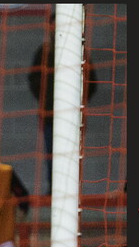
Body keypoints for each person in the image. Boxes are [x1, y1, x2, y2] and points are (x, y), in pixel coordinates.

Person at [27, 10, 97, 194]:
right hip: (50, 115)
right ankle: (54, 189)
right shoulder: (44, 52)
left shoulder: (78, 51)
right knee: (52, 154)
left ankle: (72, 189)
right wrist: (46, 99)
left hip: (74, 116)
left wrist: (79, 101)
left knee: (72, 155)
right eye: (54, 25)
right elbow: (33, 79)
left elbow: (92, 82)